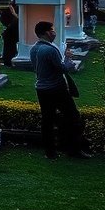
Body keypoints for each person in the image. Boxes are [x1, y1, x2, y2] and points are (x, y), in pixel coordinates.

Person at [30, 21, 90, 160]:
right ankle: (74, 149)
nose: (54, 33)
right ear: (47, 32)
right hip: (56, 88)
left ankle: (50, 152)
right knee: (73, 117)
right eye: (52, 30)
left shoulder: (34, 49)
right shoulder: (50, 50)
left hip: (42, 89)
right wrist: (68, 58)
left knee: (48, 120)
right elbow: (63, 68)